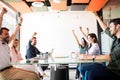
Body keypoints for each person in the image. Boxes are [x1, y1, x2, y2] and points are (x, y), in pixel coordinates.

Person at [0, 7, 39, 80]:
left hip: (10, 69)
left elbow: (14, 33)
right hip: (3, 73)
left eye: (8, 34)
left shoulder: (6, 43)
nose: (8, 35)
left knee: (34, 74)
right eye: (6, 34)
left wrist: (20, 23)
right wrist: (2, 14)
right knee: (32, 77)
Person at [80, 12, 120, 80]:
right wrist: (97, 16)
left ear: (118, 26)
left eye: (111, 26)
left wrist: (89, 57)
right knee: (83, 68)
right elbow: (105, 29)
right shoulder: (116, 38)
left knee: (91, 74)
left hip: (116, 72)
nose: (109, 29)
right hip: (109, 67)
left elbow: (110, 57)